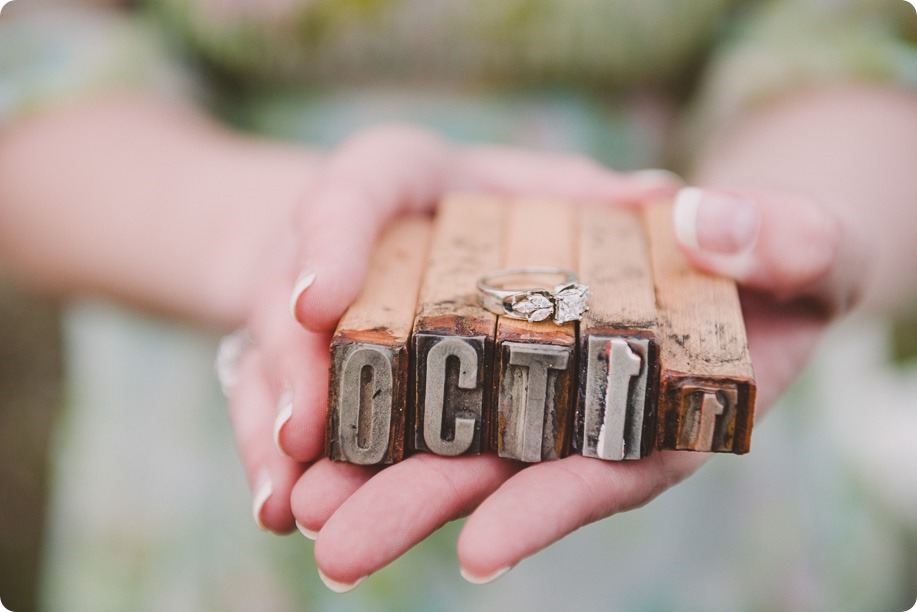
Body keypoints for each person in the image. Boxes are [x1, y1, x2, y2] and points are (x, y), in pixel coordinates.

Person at [1, 0, 916, 608]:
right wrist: (280, 237)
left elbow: (841, 46)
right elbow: (34, 63)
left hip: (692, 421)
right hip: (225, 346)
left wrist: (785, 227)